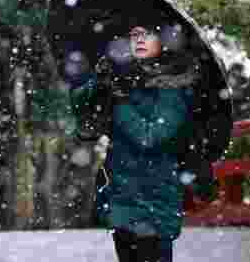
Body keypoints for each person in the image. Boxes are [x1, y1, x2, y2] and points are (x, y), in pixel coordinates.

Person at [70, 25, 200, 262]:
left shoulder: (174, 86)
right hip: (122, 196)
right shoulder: (121, 78)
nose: (139, 39)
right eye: (134, 34)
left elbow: (149, 136)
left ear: (163, 41)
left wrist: (120, 104)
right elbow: (80, 108)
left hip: (155, 199)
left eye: (148, 33)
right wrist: (99, 82)